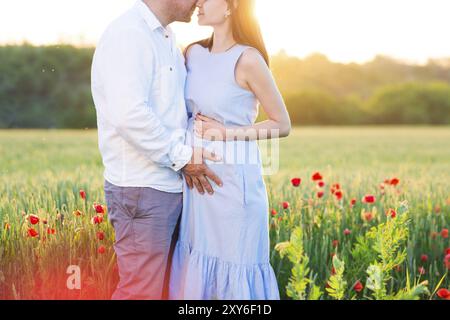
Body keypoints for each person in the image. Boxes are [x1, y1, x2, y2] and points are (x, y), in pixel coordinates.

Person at [169, 0, 291, 300]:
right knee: (198, 264)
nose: (198, 2)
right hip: (197, 182)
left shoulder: (248, 59)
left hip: (234, 186)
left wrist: (226, 133)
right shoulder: (192, 53)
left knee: (235, 271)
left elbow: (282, 123)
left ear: (230, 7)